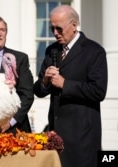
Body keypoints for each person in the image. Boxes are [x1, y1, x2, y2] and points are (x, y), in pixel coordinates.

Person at [33, 5, 108, 167]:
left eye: (59, 28)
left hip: (82, 137)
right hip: (54, 134)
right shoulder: (51, 50)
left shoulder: (94, 51)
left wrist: (65, 84)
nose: (55, 33)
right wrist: (45, 81)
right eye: (52, 28)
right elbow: (38, 90)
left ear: (74, 25)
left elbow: (98, 91)